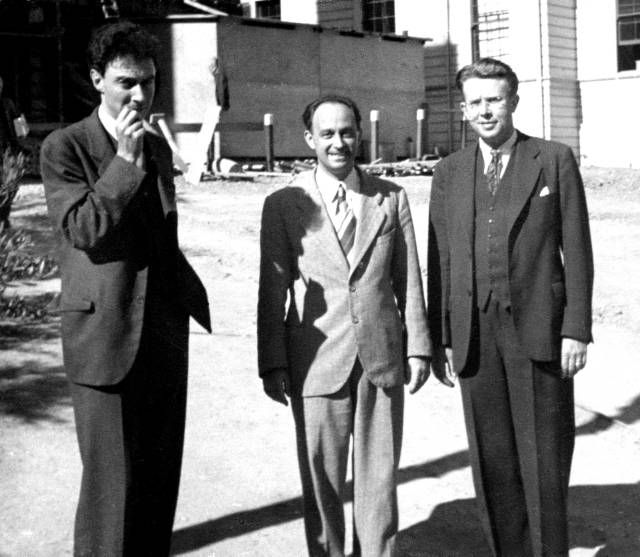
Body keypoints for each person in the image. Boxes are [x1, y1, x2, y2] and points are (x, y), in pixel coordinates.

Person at [40, 21, 210, 556]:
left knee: (158, 488)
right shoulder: (65, 146)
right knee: (109, 495)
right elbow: (82, 229)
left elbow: (161, 235)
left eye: (149, 82)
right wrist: (123, 164)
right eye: (126, 83)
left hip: (162, 334)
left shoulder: (155, 146)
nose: (140, 95)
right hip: (104, 335)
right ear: (98, 80)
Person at [427, 57, 593, 556]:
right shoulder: (449, 171)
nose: (485, 111)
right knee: (493, 461)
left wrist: (576, 329)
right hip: (474, 334)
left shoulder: (553, 159)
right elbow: (440, 258)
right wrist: (442, 338)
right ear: (463, 110)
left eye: (494, 100)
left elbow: (577, 249)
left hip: (539, 331)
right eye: (475, 102)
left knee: (544, 459)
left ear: (514, 102)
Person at [257, 94, 432, 557]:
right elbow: (272, 291)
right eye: (328, 134)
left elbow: (408, 278)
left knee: (380, 480)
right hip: (314, 361)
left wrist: (418, 347)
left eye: (347, 132)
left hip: (381, 357)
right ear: (309, 139)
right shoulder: (283, 204)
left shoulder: (391, 197)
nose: (339, 143)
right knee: (322, 480)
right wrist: (272, 362)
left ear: (360, 135)